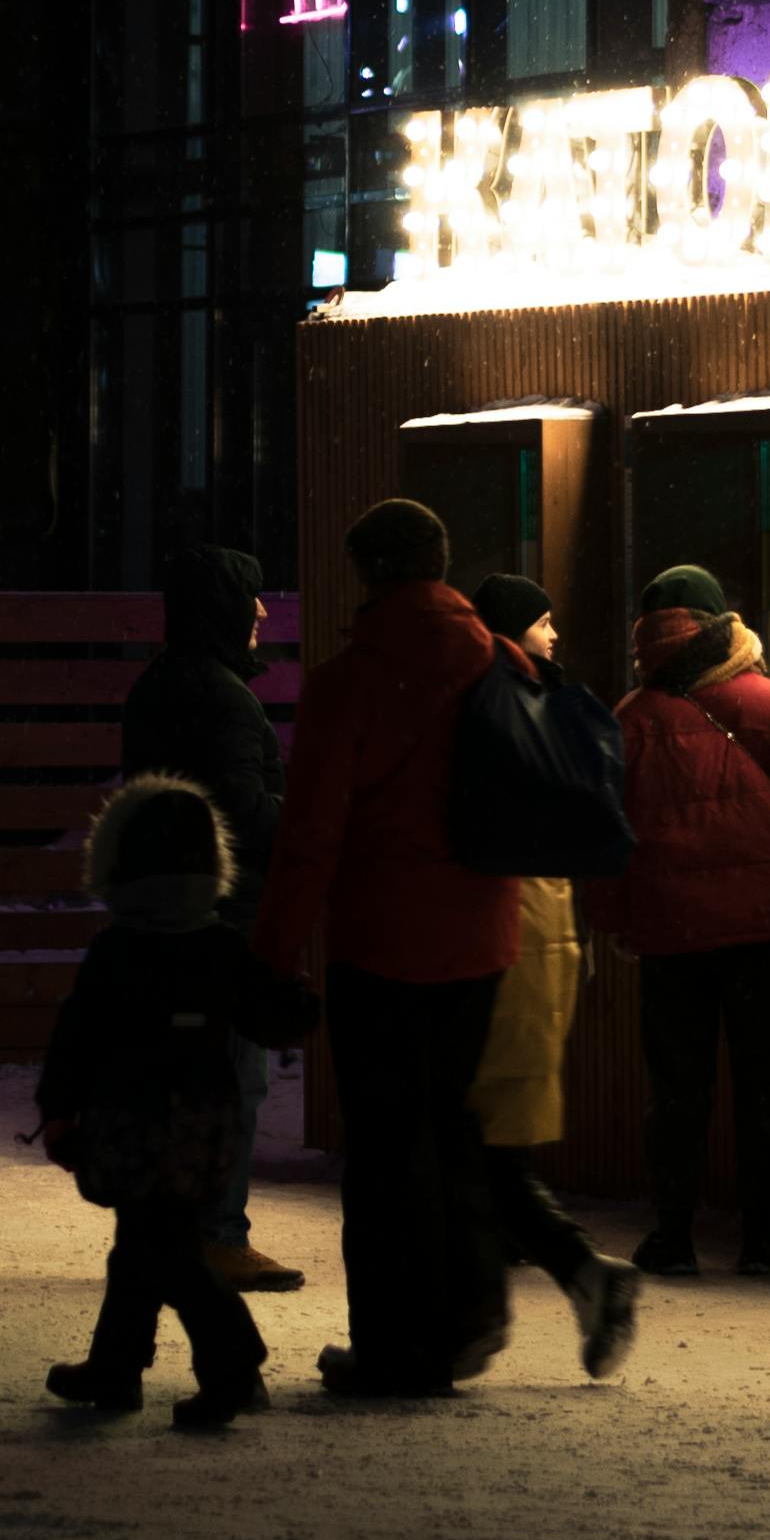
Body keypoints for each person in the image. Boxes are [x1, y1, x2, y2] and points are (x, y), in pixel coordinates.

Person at [255, 497, 526, 1397]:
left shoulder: (351, 680)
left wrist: (273, 953)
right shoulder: (503, 659)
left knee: (383, 1153)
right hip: (483, 937)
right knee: (452, 1128)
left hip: (380, 944)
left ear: (366, 572)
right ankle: (464, 1314)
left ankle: (395, 1347)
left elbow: (310, 838)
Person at [32, 775, 319, 1429]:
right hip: (202, 1126)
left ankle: (231, 1364)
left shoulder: (115, 951)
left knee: (163, 1250)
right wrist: (300, 1001)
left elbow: (75, 1037)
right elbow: (270, 1015)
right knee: (147, 1245)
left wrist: (58, 1110)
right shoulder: (218, 947)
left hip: (128, 1125)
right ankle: (118, 1366)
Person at [608, 562, 770, 1277]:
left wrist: (614, 918)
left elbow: (610, 833)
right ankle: (759, 1238)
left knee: (677, 1091)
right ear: (725, 624)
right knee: (763, 1088)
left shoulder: (631, 718)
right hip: (764, 933)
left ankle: (673, 1235)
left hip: (669, 938)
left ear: (647, 634)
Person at [461, 573, 641, 1378]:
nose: (556, 634)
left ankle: (545, 1287)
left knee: (477, 1145)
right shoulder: (556, 709)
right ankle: (551, 1285)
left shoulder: (499, 704)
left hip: (509, 940)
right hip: (548, 939)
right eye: (543, 621)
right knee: (491, 1146)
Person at [120, 541, 299, 1297]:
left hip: (163, 909)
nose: (261, 611)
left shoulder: (156, 685)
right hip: (220, 916)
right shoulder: (224, 696)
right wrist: (312, 817)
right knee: (232, 1079)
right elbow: (239, 811)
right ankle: (217, 1236)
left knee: (182, 1083)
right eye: (249, 596)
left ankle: (171, 1233)